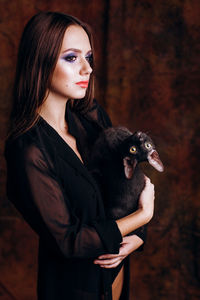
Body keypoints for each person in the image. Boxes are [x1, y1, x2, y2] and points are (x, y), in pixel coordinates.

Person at [4, 12, 155, 300]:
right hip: (72, 289)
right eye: (71, 58)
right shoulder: (28, 149)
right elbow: (69, 240)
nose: (87, 69)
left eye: (89, 58)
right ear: (40, 60)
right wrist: (143, 215)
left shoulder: (91, 118)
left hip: (116, 282)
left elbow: (122, 186)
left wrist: (138, 235)